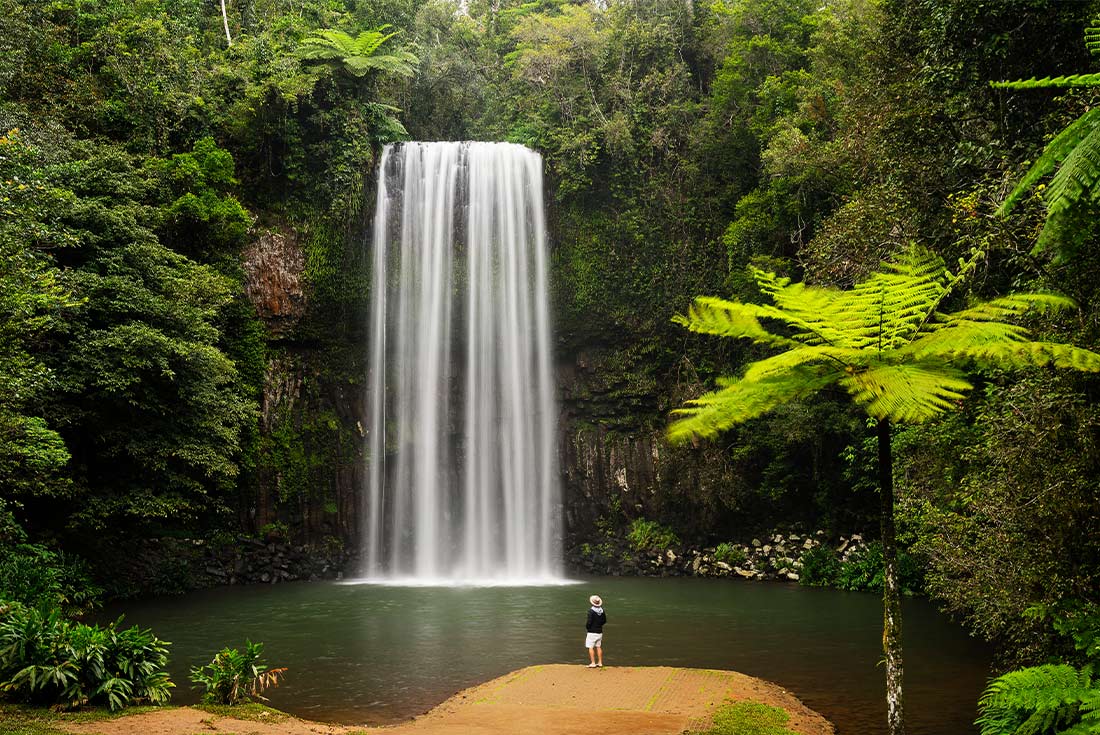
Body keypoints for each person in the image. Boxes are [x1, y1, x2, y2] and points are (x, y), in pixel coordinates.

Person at [585, 594, 606, 668]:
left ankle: (593, 663)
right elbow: (604, 621)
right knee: (598, 647)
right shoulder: (602, 610)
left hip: (592, 632)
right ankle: (600, 662)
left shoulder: (591, 611)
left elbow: (589, 622)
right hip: (599, 631)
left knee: (590, 647)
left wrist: (587, 627)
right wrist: (599, 625)